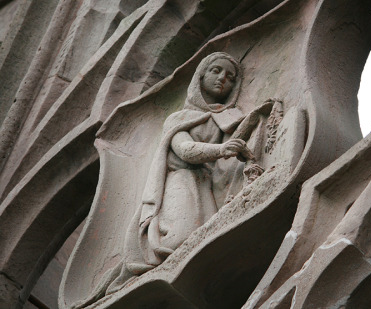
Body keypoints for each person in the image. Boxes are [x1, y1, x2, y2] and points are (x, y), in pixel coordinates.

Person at [71, 52, 272, 308]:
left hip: (205, 186)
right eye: (216, 71)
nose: (223, 79)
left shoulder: (226, 118)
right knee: (179, 239)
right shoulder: (178, 119)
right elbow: (186, 150)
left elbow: (235, 143)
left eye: (230, 77)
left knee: (204, 237)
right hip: (181, 180)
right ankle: (137, 276)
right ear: (200, 76)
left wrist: (256, 117)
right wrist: (222, 150)